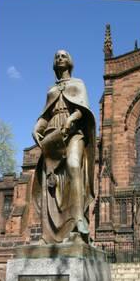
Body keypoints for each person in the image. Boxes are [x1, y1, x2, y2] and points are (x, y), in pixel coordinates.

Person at [32, 50, 96, 244]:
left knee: (74, 166)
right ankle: (49, 235)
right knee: (49, 181)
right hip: (53, 136)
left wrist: (70, 119)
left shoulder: (78, 84)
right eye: (57, 56)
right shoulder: (51, 90)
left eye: (64, 56)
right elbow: (46, 115)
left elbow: (82, 110)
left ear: (70, 62)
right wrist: (37, 128)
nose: (60, 58)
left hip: (74, 133)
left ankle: (78, 222)